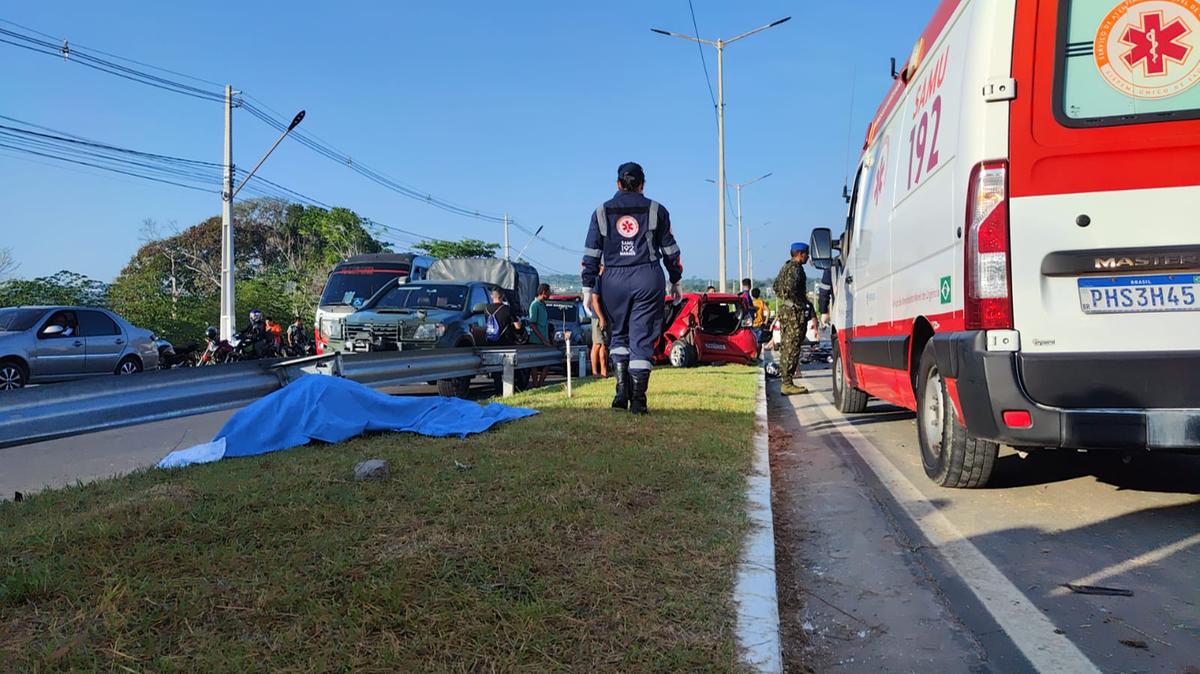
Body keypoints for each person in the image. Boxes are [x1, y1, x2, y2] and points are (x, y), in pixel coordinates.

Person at [581, 161, 684, 415]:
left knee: (619, 336)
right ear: (642, 184)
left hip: (612, 280)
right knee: (641, 338)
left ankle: (620, 391)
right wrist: (676, 279)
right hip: (647, 277)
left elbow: (591, 253)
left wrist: (586, 287)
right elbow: (670, 250)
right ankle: (638, 400)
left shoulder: (601, 211)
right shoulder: (657, 210)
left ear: (618, 184)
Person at [773, 243, 819, 395]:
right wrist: (799, 303)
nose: (808, 257)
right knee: (792, 347)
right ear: (799, 253)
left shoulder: (785, 267)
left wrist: (786, 299)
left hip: (787, 310)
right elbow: (792, 288)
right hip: (794, 313)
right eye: (806, 254)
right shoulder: (796, 269)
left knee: (787, 346)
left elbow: (776, 286)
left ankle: (786, 381)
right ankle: (787, 383)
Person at [527, 283, 552, 387]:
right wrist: (542, 338)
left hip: (544, 338)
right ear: (543, 293)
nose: (550, 294)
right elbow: (532, 324)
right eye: (548, 292)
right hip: (536, 340)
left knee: (548, 361)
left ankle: (541, 382)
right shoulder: (535, 305)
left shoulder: (543, 304)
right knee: (534, 364)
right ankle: (536, 384)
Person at [585, 283, 609, 378]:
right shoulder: (598, 283)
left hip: (605, 317)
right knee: (597, 344)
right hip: (598, 317)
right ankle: (595, 372)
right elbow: (594, 301)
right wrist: (601, 318)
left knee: (603, 344)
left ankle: (603, 371)